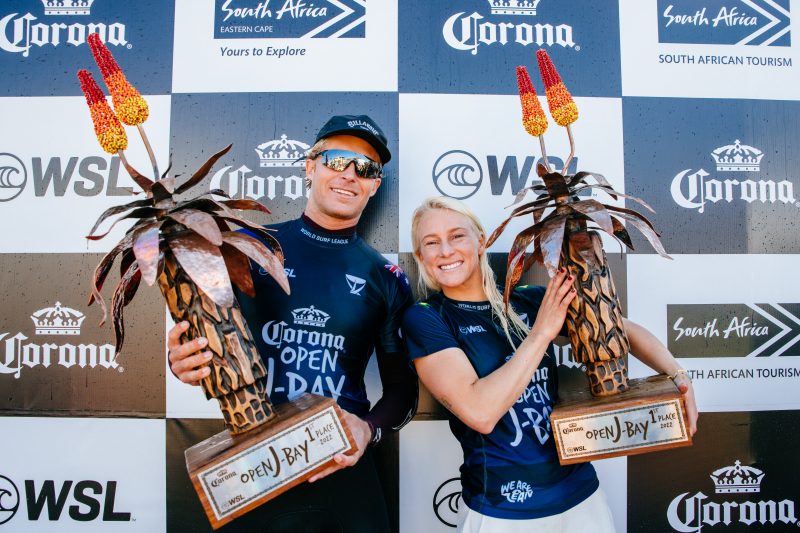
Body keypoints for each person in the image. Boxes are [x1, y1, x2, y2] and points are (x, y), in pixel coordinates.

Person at [168, 115, 417, 533]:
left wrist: (367, 428)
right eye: (337, 159)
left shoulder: (385, 277)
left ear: (375, 185)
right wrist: (184, 359)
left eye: (366, 168)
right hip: (251, 467)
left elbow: (403, 391)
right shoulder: (247, 248)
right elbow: (204, 337)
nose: (350, 175)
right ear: (310, 166)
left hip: (343, 470)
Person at [401, 196, 698, 533]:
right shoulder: (426, 318)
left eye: (457, 236)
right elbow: (480, 413)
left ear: (481, 241)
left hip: (581, 497)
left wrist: (679, 377)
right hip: (502, 511)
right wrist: (542, 333)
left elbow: (617, 327)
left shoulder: (528, 299)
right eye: (431, 242)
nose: (446, 250)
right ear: (420, 257)